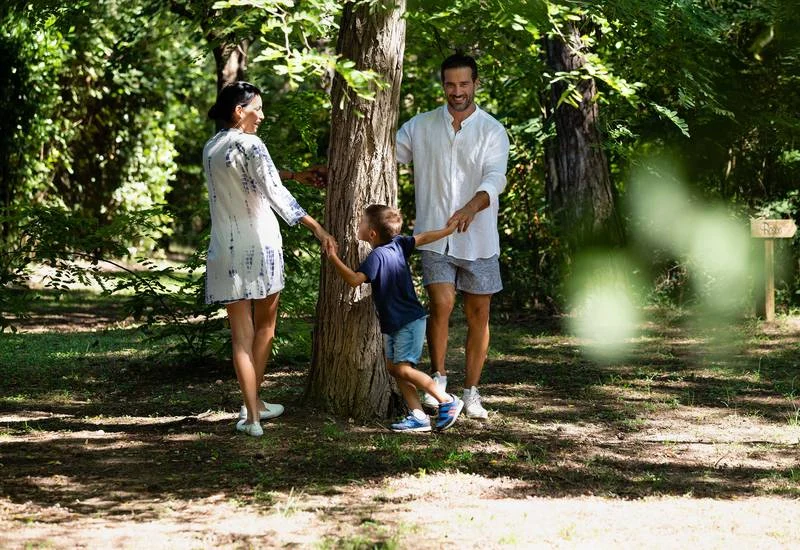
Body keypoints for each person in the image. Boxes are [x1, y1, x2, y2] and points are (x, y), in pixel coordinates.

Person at [204, 81, 336, 437]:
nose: (262, 115)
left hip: (225, 250)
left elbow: (253, 179)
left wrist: (296, 174)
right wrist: (317, 228)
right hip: (260, 246)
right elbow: (274, 193)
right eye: (257, 108)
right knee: (265, 328)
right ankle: (252, 410)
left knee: (240, 339)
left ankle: (254, 413)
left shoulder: (212, 147)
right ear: (239, 110)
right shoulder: (252, 144)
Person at [396, 53, 510, 419]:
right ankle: (439, 380)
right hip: (435, 237)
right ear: (442, 85)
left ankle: (472, 392)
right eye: (450, 84)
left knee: (479, 315)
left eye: (463, 84)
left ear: (476, 84)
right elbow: (384, 155)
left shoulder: (492, 130)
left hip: (480, 241)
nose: (456, 91)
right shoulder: (420, 126)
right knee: (441, 304)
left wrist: (471, 208)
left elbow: (495, 178)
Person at [326, 205, 463, 432]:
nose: (358, 225)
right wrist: (446, 232)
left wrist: (332, 257)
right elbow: (423, 238)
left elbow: (353, 280)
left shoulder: (376, 256)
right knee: (394, 367)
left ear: (372, 234)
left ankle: (447, 400)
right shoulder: (399, 244)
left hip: (407, 322)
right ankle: (418, 415)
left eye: (362, 222)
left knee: (402, 369)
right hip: (397, 323)